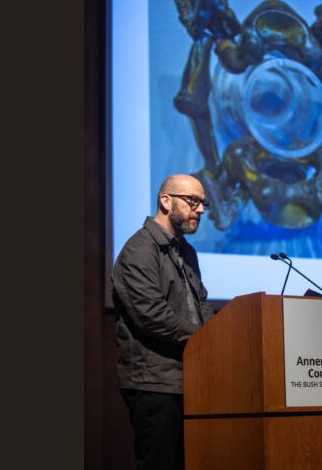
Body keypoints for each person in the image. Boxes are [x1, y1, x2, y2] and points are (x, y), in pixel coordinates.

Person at [111, 174, 216, 470]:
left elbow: (202, 303)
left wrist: (219, 337)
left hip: (188, 379)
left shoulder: (187, 251)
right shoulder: (139, 250)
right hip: (154, 382)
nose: (201, 210)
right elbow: (151, 315)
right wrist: (205, 340)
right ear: (165, 201)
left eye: (203, 203)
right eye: (193, 201)